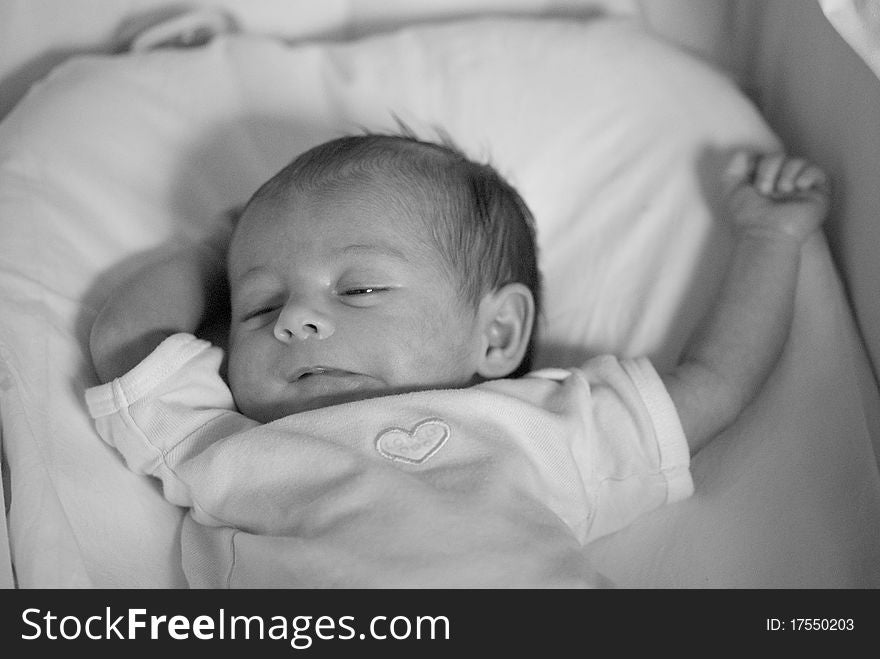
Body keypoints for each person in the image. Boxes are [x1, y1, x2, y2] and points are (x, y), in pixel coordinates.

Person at [85, 132, 828, 587]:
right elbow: (128, 340)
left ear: (497, 335)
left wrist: (771, 241)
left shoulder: (541, 427)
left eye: (361, 287)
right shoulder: (228, 444)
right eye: (258, 304)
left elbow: (714, 383)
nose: (296, 317)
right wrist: (228, 242)